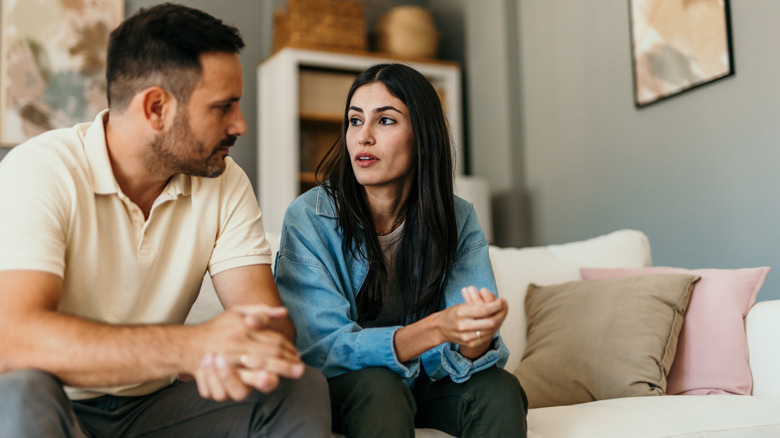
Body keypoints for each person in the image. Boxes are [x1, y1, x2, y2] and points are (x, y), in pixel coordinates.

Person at [0, 4, 330, 437]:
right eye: (223, 107)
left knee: (297, 387)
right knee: (20, 389)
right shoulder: (40, 170)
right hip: (58, 402)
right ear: (156, 107)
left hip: (156, 409)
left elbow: (266, 325)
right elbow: (14, 338)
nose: (240, 125)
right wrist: (187, 347)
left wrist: (241, 352)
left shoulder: (225, 181)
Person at [274, 63, 528, 437]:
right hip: (343, 386)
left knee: (499, 389)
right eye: (355, 120)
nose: (363, 137)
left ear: (422, 136)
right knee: (381, 387)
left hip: (420, 384)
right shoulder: (309, 217)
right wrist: (434, 329)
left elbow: (462, 356)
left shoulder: (457, 218)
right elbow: (321, 349)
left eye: (386, 120)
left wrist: (474, 338)